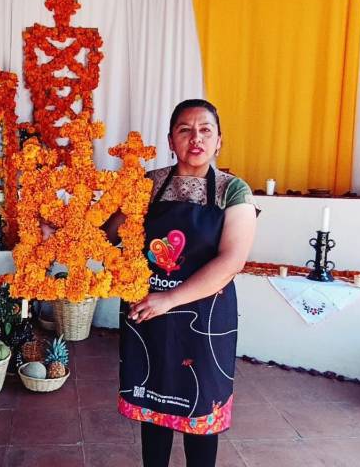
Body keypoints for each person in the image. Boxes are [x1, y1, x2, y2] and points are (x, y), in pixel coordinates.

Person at [108, 99, 257, 467]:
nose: (196, 138)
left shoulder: (232, 191)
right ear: (171, 140)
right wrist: (57, 231)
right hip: (148, 315)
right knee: (153, 404)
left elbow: (231, 261)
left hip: (204, 318)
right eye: (185, 130)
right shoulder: (148, 184)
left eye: (206, 130)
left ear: (219, 140)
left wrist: (169, 299)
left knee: (200, 409)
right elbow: (108, 234)